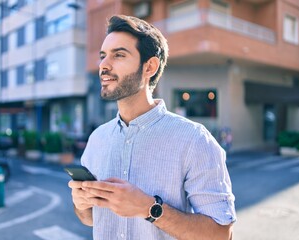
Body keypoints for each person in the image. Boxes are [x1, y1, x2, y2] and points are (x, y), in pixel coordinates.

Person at [68, 15, 236, 240]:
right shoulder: (97, 138)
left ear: (149, 67)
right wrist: (81, 205)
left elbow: (221, 234)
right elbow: (89, 218)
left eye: (118, 55)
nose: (104, 66)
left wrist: (148, 208)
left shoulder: (194, 140)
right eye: (102, 56)